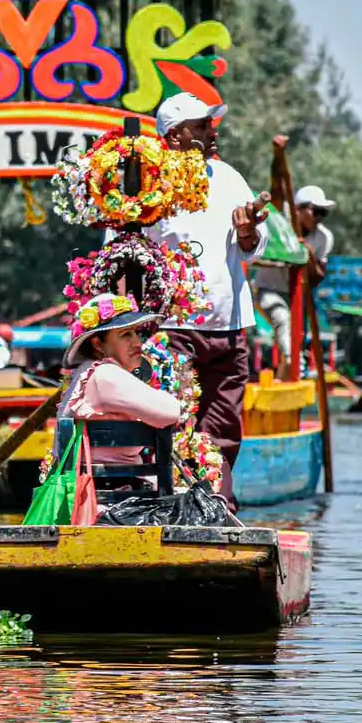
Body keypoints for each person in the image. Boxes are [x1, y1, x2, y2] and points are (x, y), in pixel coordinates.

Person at [139, 94, 270, 504]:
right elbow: (123, 248)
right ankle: (172, 507)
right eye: (201, 126)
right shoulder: (147, 183)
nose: (212, 133)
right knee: (172, 422)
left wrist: (248, 230)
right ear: (174, 135)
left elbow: (254, 246)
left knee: (224, 428)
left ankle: (217, 508)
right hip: (172, 329)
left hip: (228, 328)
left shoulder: (229, 177)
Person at [58, 294, 182, 526]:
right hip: (113, 505)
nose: (138, 342)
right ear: (98, 344)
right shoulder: (105, 375)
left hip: (112, 499)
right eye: (126, 335)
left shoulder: (89, 374)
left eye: (137, 333)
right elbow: (171, 411)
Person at [255, 182, 336, 369]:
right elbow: (275, 194)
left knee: (297, 335)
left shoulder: (323, 238)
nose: (320, 218)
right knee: (282, 319)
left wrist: (306, 255)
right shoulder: (279, 226)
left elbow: (317, 277)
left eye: (324, 213)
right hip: (268, 289)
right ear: (298, 209)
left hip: (297, 296)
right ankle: (296, 364)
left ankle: (288, 377)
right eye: (316, 211)